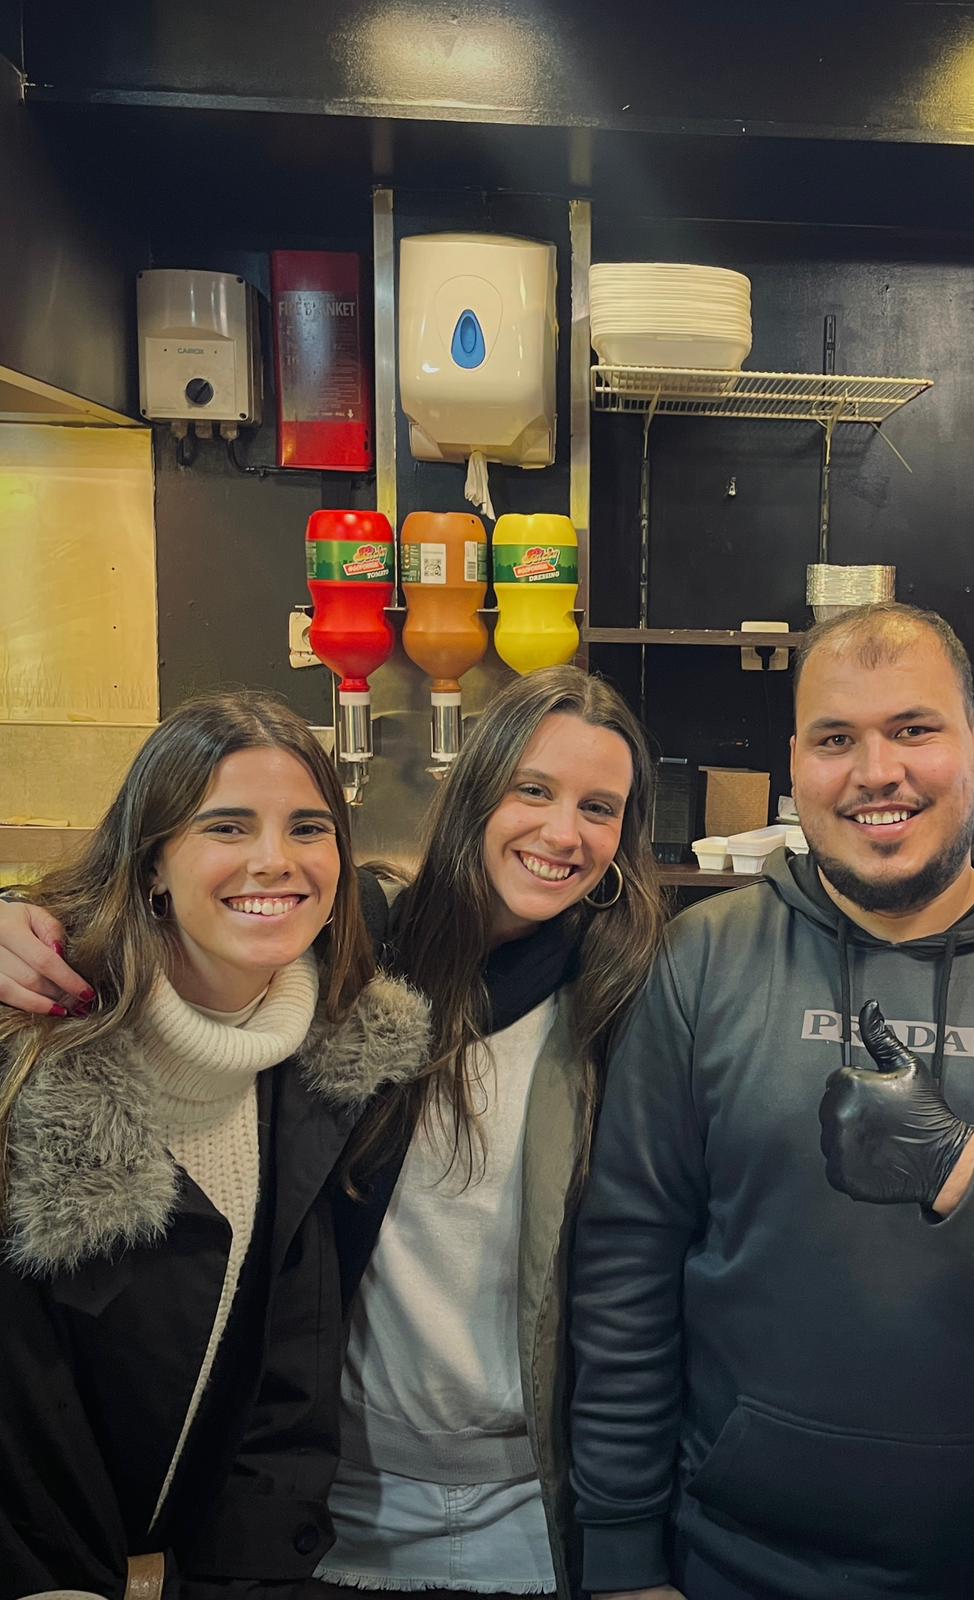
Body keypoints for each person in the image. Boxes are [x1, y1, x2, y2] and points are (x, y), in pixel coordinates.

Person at [567, 602, 974, 1600]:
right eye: (837, 739)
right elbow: (625, 1265)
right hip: (731, 1563)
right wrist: (618, 1556)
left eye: (913, 729)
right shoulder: (702, 958)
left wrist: (959, 1170)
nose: (877, 771)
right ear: (797, 766)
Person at [0, 666, 667, 1600]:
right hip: (322, 1519)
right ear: (477, 792)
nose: (564, 832)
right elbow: (160, 936)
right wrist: (21, 921)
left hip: (531, 1519)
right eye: (533, 790)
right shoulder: (354, 960)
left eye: (600, 808)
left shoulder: (632, 1006)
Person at [0, 691, 432, 1599]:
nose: (275, 861)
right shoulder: (33, 1055)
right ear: (153, 862)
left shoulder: (328, 1061)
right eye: (227, 826)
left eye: (309, 828)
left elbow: (285, 1385)